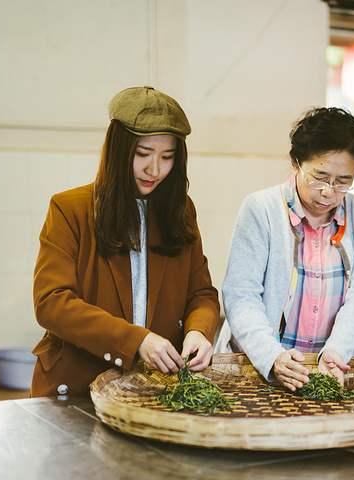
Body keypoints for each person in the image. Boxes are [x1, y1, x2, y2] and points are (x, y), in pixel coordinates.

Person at [31, 86, 219, 397]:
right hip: (76, 387)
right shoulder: (70, 208)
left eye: (167, 157)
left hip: (153, 388)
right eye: (143, 154)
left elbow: (201, 293)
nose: (154, 170)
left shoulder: (180, 210)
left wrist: (199, 331)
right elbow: (51, 302)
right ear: (118, 150)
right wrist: (137, 340)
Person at [220, 107, 354, 392]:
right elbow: (241, 293)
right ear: (296, 164)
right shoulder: (261, 209)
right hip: (259, 372)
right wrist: (272, 356)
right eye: (319, 176)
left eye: (343, 181)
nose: (328, 191)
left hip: (332, 371)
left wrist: (337, 351)